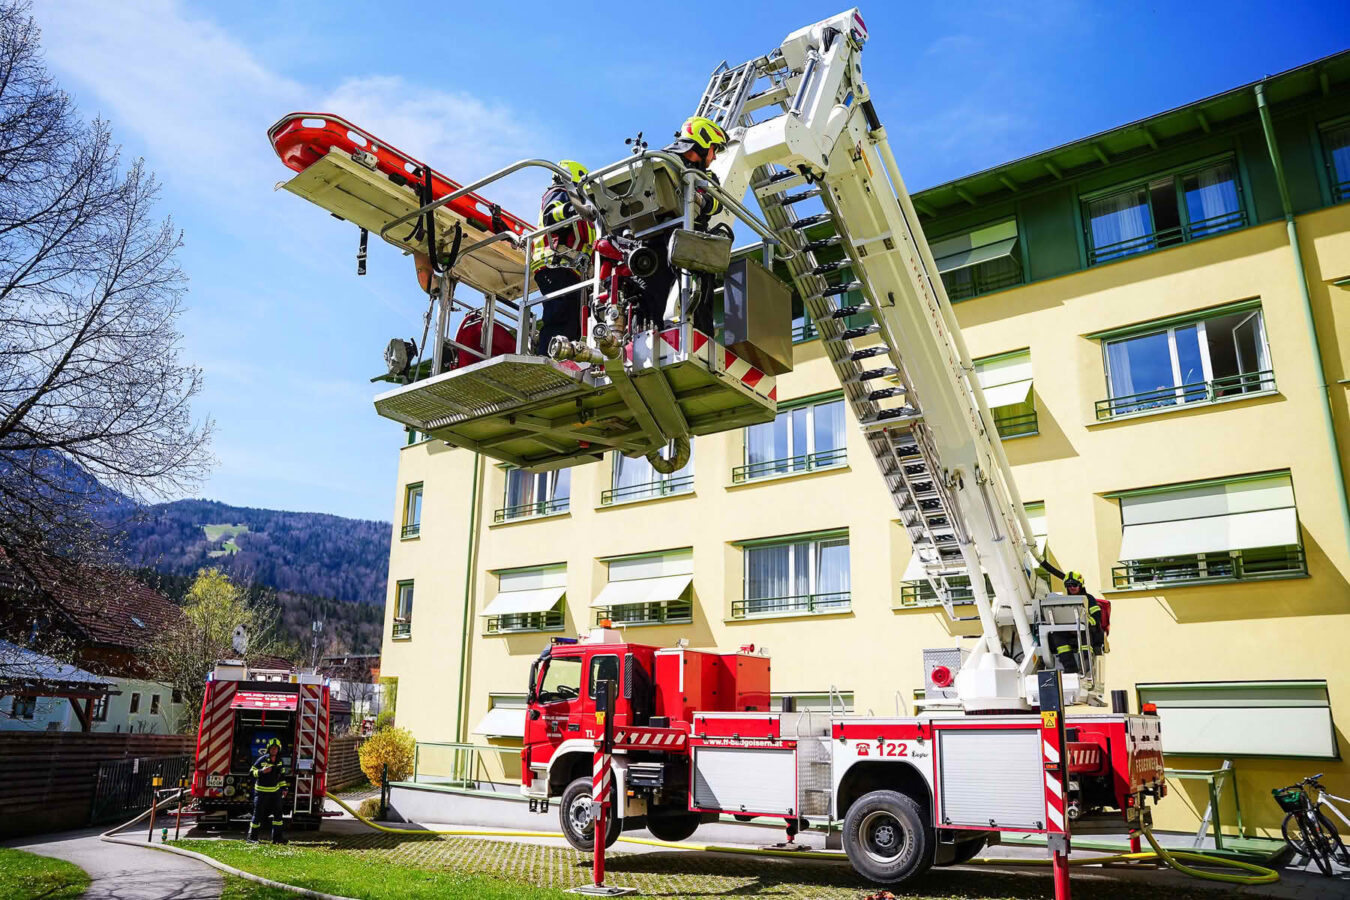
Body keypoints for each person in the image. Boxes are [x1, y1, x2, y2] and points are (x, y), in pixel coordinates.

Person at [629, 116, 730, 333]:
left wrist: (699, 198)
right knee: (647, 289)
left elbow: (716, 204)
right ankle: (643, 334)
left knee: (700, 289)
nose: (714, 156)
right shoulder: (661, 160)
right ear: (704, 142)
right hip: (656, 235)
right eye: (714, 149)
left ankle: (701, 336)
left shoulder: (704, 175)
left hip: (685, 236)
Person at [532, 160, 594, 355]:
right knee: (560, 317)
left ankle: (566, 357)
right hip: (556, 265)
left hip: (570, 269)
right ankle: (549, 356)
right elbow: (551, 215)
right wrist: (575, 210)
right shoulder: (560, 192)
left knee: (574, 322)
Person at [247, 737, 289, 844]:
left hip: (275, 792)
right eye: (272, 748)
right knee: (257, 815)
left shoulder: (280, 762)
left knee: (278, 816)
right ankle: (252, 838)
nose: (274, 750)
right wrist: (262, 771)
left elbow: (282, 777)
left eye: (276, 748)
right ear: (268, 749)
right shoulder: (262, 760)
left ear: (279, 749)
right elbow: (251, 773)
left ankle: (277, 839)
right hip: (261, 792)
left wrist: (284, 788)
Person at [1065, 571, 1111, 654]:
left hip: (1090, 631)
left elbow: (1097, 616)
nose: (1072, 587)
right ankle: (1066, 659)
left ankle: (1086, 656)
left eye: (1074, 585)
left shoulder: (1089, 599)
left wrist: (1086, 623)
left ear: (1080, 585)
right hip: (1071, 630)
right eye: (1068, 585)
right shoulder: (1065, 600)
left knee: (1083, 630)